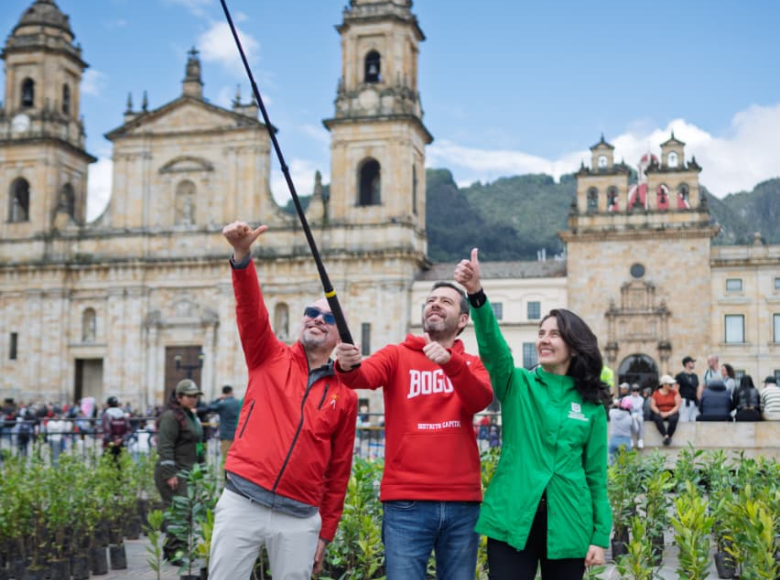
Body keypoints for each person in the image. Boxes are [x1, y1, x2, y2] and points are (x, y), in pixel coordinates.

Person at [209, 221, 358, 580]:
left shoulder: (346, 395)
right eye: (311, 313)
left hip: (299, 517)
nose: (317, 319)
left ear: (340, 335)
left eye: (328, 317)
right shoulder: (267, 355)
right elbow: (250, 309)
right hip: (242, 501)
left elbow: (338, 471)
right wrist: (242, 255)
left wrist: (326, 533)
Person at [454, 248, 610, 578]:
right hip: (513, 516)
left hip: (570, 521)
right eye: (541, 333)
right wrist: (476, 295)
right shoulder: (518, 384)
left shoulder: (591, 406)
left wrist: (599, 536)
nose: (544, 340)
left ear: (574, 345)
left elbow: (596, 476)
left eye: (554, 334)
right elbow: (494, 349)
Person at [335, 279, 493, 580]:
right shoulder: (396, 355)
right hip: (406, 500)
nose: (435, 304)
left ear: (462, 320)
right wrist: (346, 364)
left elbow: (480, 399)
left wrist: (451, 364)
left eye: (445, 301)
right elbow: (360, 377)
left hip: (462, 501)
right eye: (431, 300)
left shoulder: (472, 364)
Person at [155, 379, 206, 563]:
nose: (193, 399)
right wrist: (169, 473)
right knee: (178, 513)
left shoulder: (191, 416)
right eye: (189, 396)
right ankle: (174, 552)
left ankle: (178, 549)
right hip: (175, 472)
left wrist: (202, 467)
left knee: (187, 512)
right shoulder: (171, 417)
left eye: (195, 396)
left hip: (189, 471)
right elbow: (165, 446)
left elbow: (198, 444)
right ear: (179, 397)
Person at [205, 385, 241, 459]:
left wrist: (219, 399)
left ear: (223, 393)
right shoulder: (238, 403)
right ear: (231, 392)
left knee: (226, 459)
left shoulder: (222, 404)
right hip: (238, 435)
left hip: (226, 435)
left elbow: (209, 407)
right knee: (236, 459)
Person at [650, 375, 681, 446]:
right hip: (659, 412)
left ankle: (668, 436)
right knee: (657, 418)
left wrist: (669, 413)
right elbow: (652, 406)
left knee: (673, 419)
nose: (672, 385)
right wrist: (660, 413)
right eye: (670, 384)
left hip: (672, 412)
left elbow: (677, 405)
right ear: (664, 384)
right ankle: (666, 436)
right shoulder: (656, 393)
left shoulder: (674, 392)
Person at [608, 398, 634, 465]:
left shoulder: (612, 413)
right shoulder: (630, 418)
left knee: (611, 464)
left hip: (613, 440)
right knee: (624, 465)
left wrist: (616, 404)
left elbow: (611, 407)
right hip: (625, 442)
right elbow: (636, 429)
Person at [675, 356, 699, 422]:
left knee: (695, 421)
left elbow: (697, 389)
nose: (693, 363)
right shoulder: (679, 375)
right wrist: (679, 400)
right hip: (684, 401)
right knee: (683, 421)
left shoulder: (695, 376)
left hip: (694, 402)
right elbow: (676, 389)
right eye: (692, 362)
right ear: (687, 363)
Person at [627, 384, 645, 449]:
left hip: (639, 414)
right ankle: (630, 439)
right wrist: (632, 414)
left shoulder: (641, 399)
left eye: (637, 390)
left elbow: (637, 407)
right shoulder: (628, 398)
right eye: (634, 390)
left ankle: (640, 439)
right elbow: (627, 407)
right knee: (629, 421)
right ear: (631, 391)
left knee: (640, 421)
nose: (635, 392)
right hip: (630, 414)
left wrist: (631, 407)